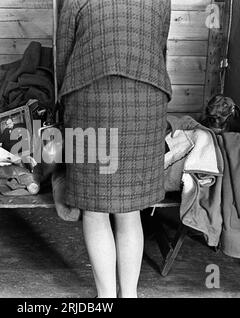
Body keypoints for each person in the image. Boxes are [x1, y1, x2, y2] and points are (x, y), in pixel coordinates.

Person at [57, 0, 172, 298]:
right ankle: (129, 295)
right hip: (146, 103)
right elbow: (160, 47)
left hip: (89, 101)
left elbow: (64, 56)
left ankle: (106, 297)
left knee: (95, 211)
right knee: (130, 209)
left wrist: (60, 104)